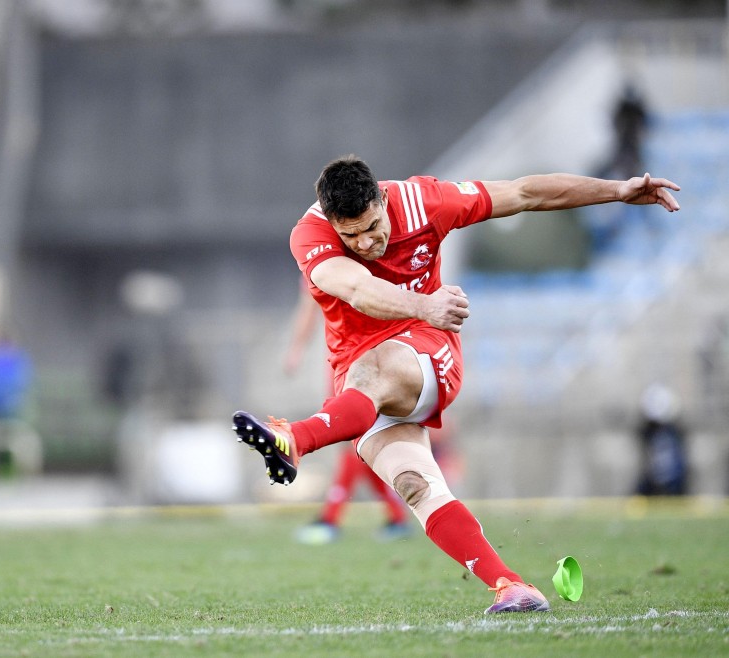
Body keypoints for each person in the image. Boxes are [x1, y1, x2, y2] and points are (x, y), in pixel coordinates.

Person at [232, 155, 680, 614]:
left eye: (372, 225)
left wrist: (619, 190)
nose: (366, 242)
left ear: (383, 199)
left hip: (427, 354)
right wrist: (423, 303)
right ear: (331, 222)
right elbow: (354, 288)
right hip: (361, 383)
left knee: (374, 369)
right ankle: (511, 586)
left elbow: (526, 193)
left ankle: (296, 439)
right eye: (351, 235)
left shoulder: (425, 201)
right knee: (414, 485)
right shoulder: (309, 234)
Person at [283, 278, 413, 545]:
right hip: (343, 359)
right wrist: (296, 349)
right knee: (356, 440)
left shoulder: (335, 256)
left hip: (364, 356)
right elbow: (310, 305)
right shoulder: (323, 255)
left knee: (354, 438)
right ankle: (396, 517)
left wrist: (296, 350)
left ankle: (330, 520)